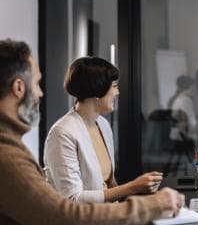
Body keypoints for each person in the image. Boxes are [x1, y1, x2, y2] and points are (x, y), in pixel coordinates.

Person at [0, 39, 184, 225]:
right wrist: (151, 204)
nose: (40, 92)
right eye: (36, 83)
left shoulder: (102, 126)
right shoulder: (10, 153)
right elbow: (65, 214)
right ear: (18, 87)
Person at [44, 57, 163, 203]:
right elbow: (73, 199)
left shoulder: (103, 124)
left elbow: (109, 185)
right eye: (114, 86)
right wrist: (133, 187)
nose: (117, 92)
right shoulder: (62, 132)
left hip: (107, 216)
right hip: (82, 223)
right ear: (97, 89)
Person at [167, 75, 197, 143]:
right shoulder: (185, 100)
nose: (195, 90)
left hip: (176, 136)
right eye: (193, 88)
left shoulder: (177, 99)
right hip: (183, 138)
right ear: (190, 88)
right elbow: (191, 123)